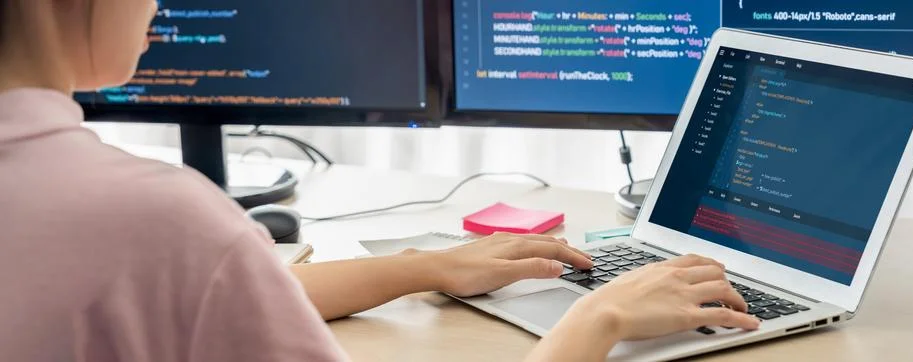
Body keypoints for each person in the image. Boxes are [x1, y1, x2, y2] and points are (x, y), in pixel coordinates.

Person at [0, 0, 759, 361]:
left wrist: (416, 268)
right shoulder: (156, 222)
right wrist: (595, 324)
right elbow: (178, 273)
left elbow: (184, 297)